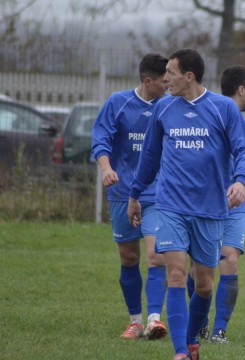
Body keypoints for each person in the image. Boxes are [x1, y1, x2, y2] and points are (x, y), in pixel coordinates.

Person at [128, 49, 245, 360]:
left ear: (189, 76)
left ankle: (192, 341)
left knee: (204, 286)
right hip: (170, 205)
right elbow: (149, 157)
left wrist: (240, 181)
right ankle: (182, 351)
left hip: (211, 210)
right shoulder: (163, 108)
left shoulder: (223, 108)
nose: (165, 78)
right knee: (174, 273)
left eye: (171, 72)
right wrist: (134, 194)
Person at [91, 53, 169, 341]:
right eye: (164, 80)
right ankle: (135, 321)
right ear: (148, 81)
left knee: (155, 255)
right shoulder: (118, 103)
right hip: (123, 192)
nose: (169, 84)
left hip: (158, 193)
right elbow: (100, 140)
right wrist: (107, 168)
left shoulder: (169, 106)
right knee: (129, 257)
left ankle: (154, 320)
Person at [191, 65, 245, 344]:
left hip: (233, 204)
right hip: (205, 202)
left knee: (230, 260)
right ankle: (200, 324)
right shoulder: (208, 114)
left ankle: (219, 331)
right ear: (241, 90)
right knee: (198, 267)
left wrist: (241, 176)